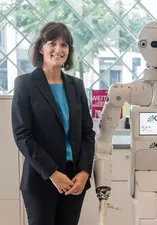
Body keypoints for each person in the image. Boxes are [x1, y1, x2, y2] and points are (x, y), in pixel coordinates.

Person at [11, 22, 95, 225]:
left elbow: (88, 133)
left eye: (64, 45)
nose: (58, 49)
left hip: (75, 180)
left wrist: (84, 172)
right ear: (41, 48)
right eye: (52, 43)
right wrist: (52, 173)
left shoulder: (76, 85)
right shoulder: (25, 84)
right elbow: (23, 135)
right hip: (42, 178)